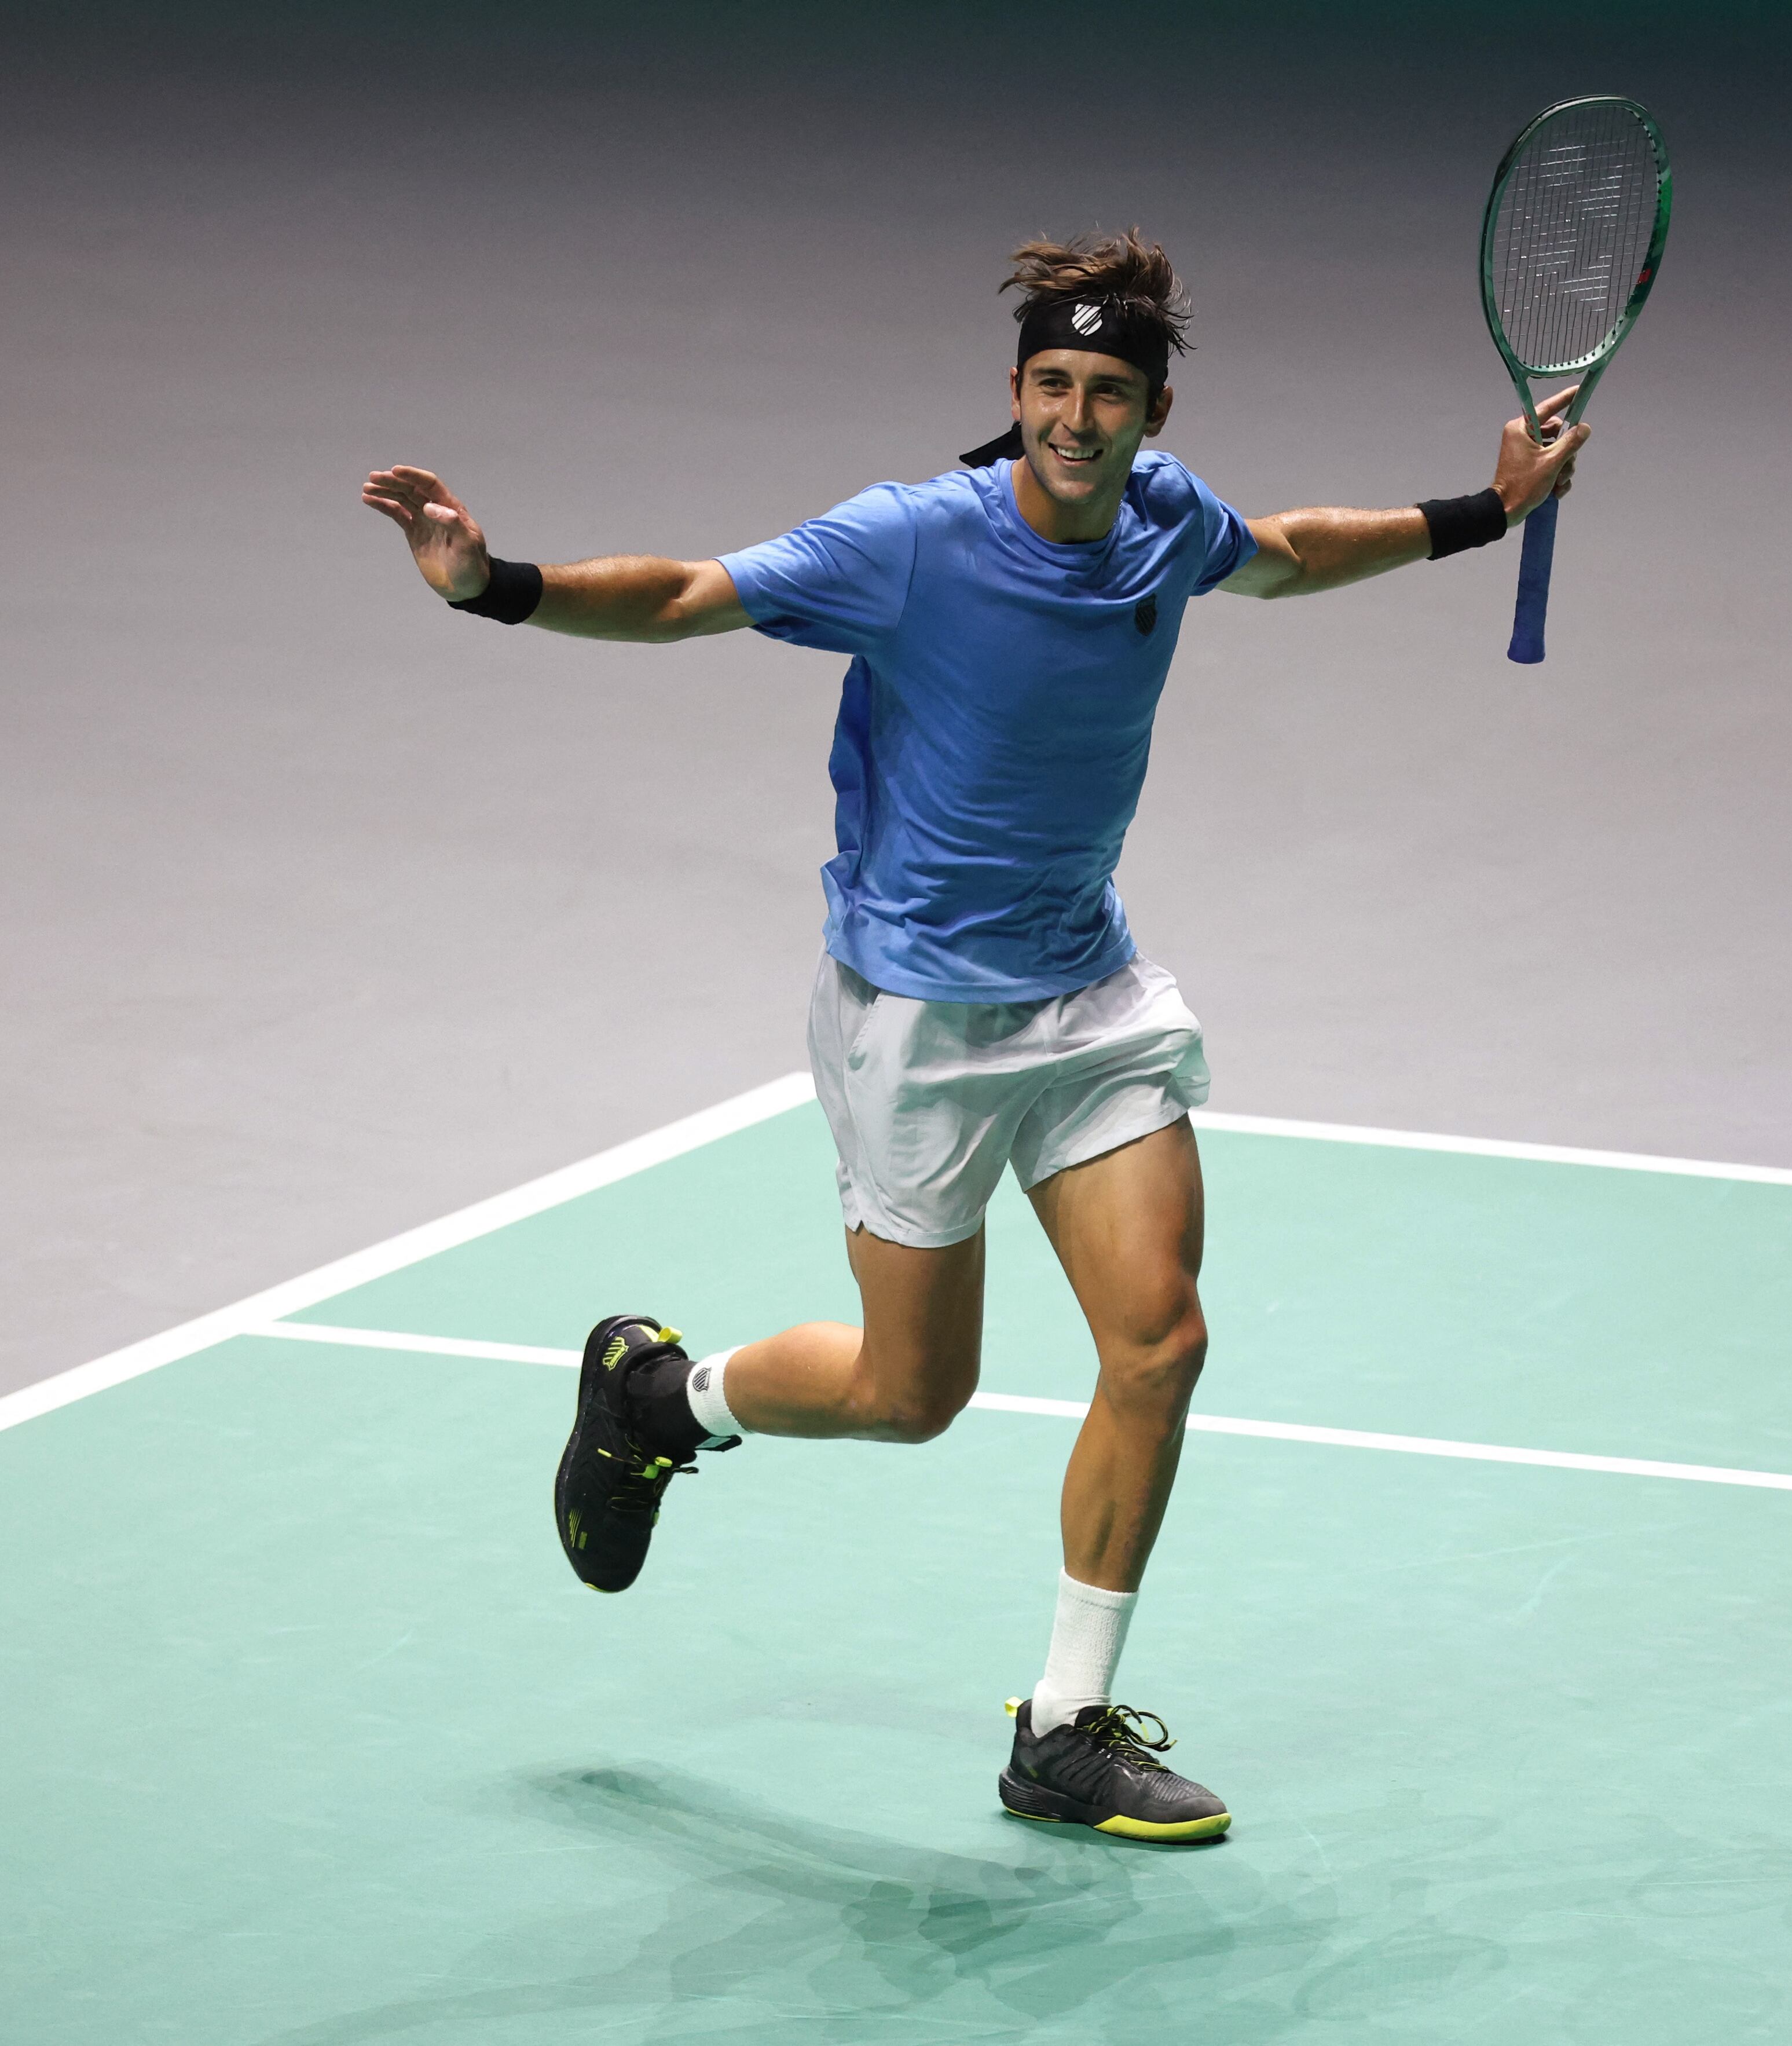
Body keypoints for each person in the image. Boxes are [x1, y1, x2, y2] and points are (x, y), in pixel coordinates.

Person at [361, 230, 1588, 1843]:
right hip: (917, 1016)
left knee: (1163, 1341)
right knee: (909, 1393)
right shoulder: (912, 544)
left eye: (1109, 394)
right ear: (1015, 395)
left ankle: (1066, 1730)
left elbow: (1285, 551)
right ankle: (661, 1400)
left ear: (1150, 413)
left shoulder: (1166, 520)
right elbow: (684, 596)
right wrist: (493, 586)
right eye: (1053, 388)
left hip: (1088, 994)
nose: (1077, 420)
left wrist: (1484, 509)